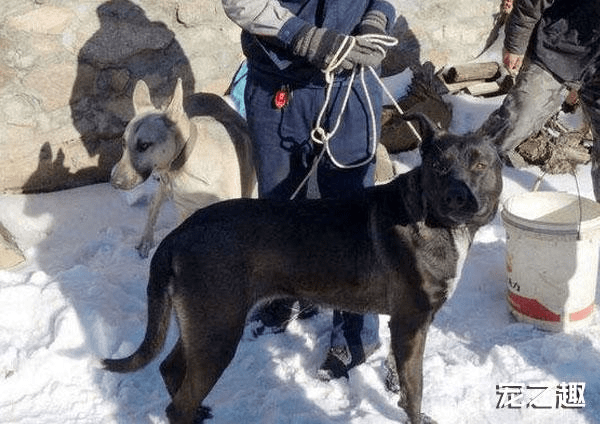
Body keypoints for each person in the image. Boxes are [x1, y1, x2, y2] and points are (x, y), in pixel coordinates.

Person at [221, 0, 401, 380]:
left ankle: (355, 334)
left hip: (350, 84)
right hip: (277, 85)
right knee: (279, 208)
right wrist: (301, 36)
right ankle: (286, 295)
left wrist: (376, 18)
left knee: (354, 217)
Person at [478, 0, 600, 201]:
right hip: (556, 49)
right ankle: (459, 177)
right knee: (517, 119)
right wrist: (515, 44)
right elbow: (530, 3)